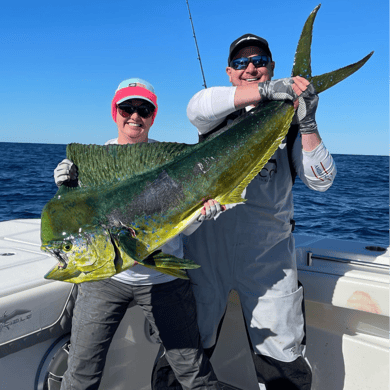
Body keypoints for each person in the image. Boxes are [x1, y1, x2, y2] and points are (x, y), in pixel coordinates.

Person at [156, 35, 337, 389]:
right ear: (229, 72)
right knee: (184, 356)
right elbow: (196, 106)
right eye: (241, 63)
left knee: (282, 362)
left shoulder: (292, 123)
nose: (250, 68)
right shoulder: (214, 114)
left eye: (259, 61)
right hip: (205, 258)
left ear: (271, 67)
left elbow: (322, 181)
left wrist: (309, 121)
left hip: (268, 261)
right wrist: (270, 92)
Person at [53, 78, 223, 390]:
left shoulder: (171, 160)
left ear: (153, 115)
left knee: (193, 373)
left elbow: (182, 224)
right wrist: (67, 189)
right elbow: (78, 221)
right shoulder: (93, 162)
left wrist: (201, 215)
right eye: (127, 107)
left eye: (143, 109)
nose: (134, 115)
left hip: (164, 278)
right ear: (114, 112)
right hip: (106, 280)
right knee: (80, 375)